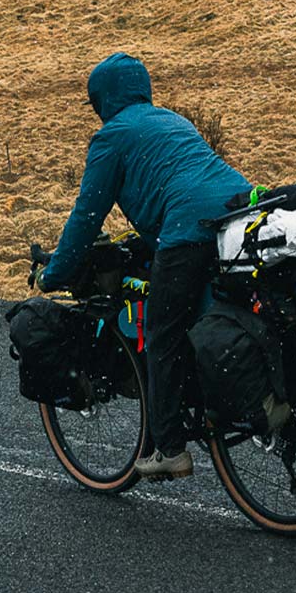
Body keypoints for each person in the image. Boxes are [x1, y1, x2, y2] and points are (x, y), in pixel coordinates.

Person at [35, 52, 249, 480]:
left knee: (162, 331)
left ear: (103, 100)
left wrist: (54, 273)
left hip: (189, 226)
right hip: (239, 210)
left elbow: (86, 215)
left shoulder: (111, 137)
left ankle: (170, 449)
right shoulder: (172, 120)